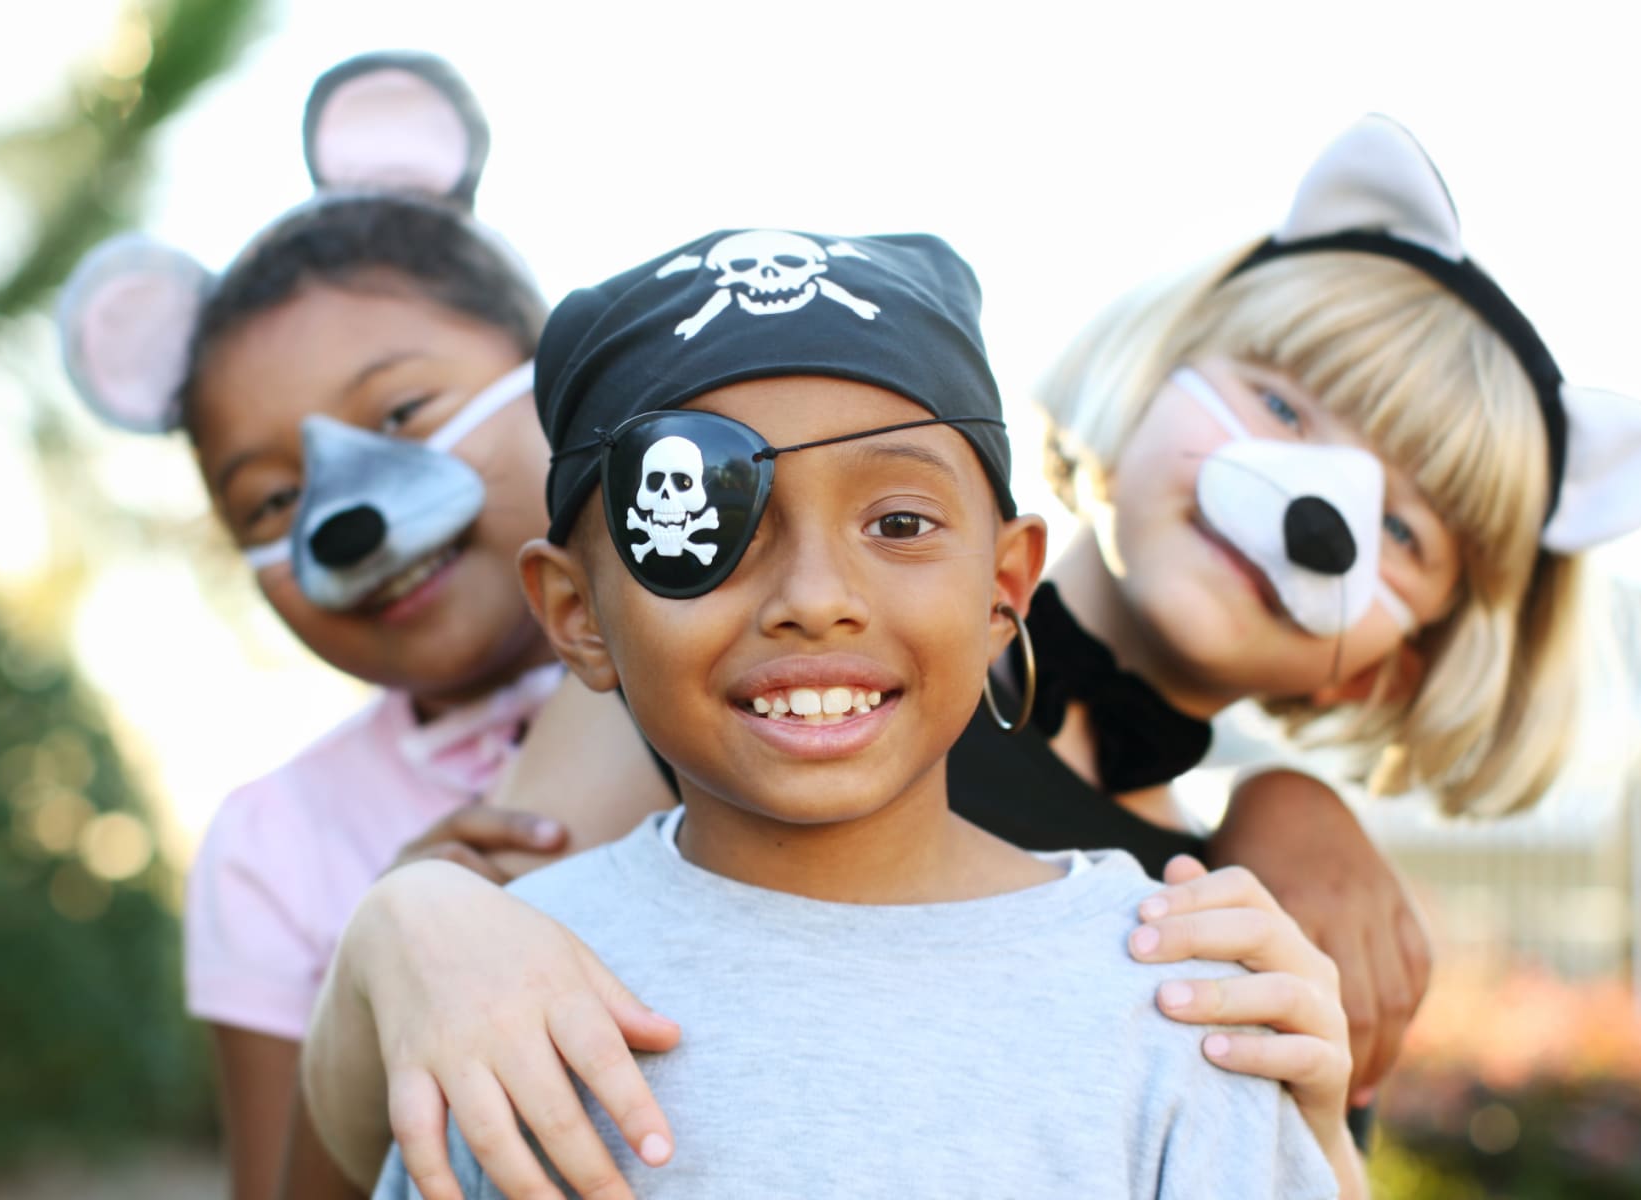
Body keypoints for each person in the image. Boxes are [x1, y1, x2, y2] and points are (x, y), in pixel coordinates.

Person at [358, 226, 1348, 1198]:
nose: (816, 594)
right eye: (706, 521)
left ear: (1006, 587)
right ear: (578, 616)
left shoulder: (1173, 996)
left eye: (900, 523)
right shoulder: (507, 987)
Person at [56, 52, 618, 1199]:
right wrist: (373, 981)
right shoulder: (276, 846)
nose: (342, 513)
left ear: (553, 365)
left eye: (404, 410)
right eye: (269, 499)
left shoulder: (753, 667)